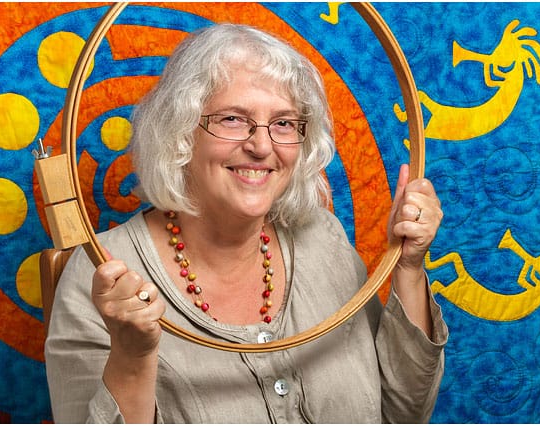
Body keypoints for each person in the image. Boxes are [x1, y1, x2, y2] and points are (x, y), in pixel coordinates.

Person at [45, 23, 448, 423]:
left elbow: (406, 413)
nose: (261, 146)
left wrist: (408, 267)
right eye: (233, 119)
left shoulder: (322, 239)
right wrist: (132, 357)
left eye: (284, 123)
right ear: (180, 132)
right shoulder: (103, 276)